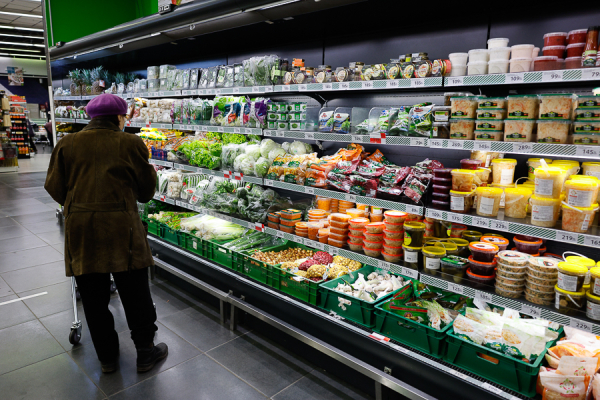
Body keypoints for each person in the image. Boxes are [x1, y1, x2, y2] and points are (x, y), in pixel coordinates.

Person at [44, 93, 167, 374]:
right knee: (135, 293)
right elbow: (146, 193)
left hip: (82, 231)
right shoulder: (130, 143)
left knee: (93, 298)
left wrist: (79, 205)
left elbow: (54, 187)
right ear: (119, 117)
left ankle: (107, 358)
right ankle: (145, 353)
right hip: (123, 229)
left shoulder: (67, 143)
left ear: (91, 117)